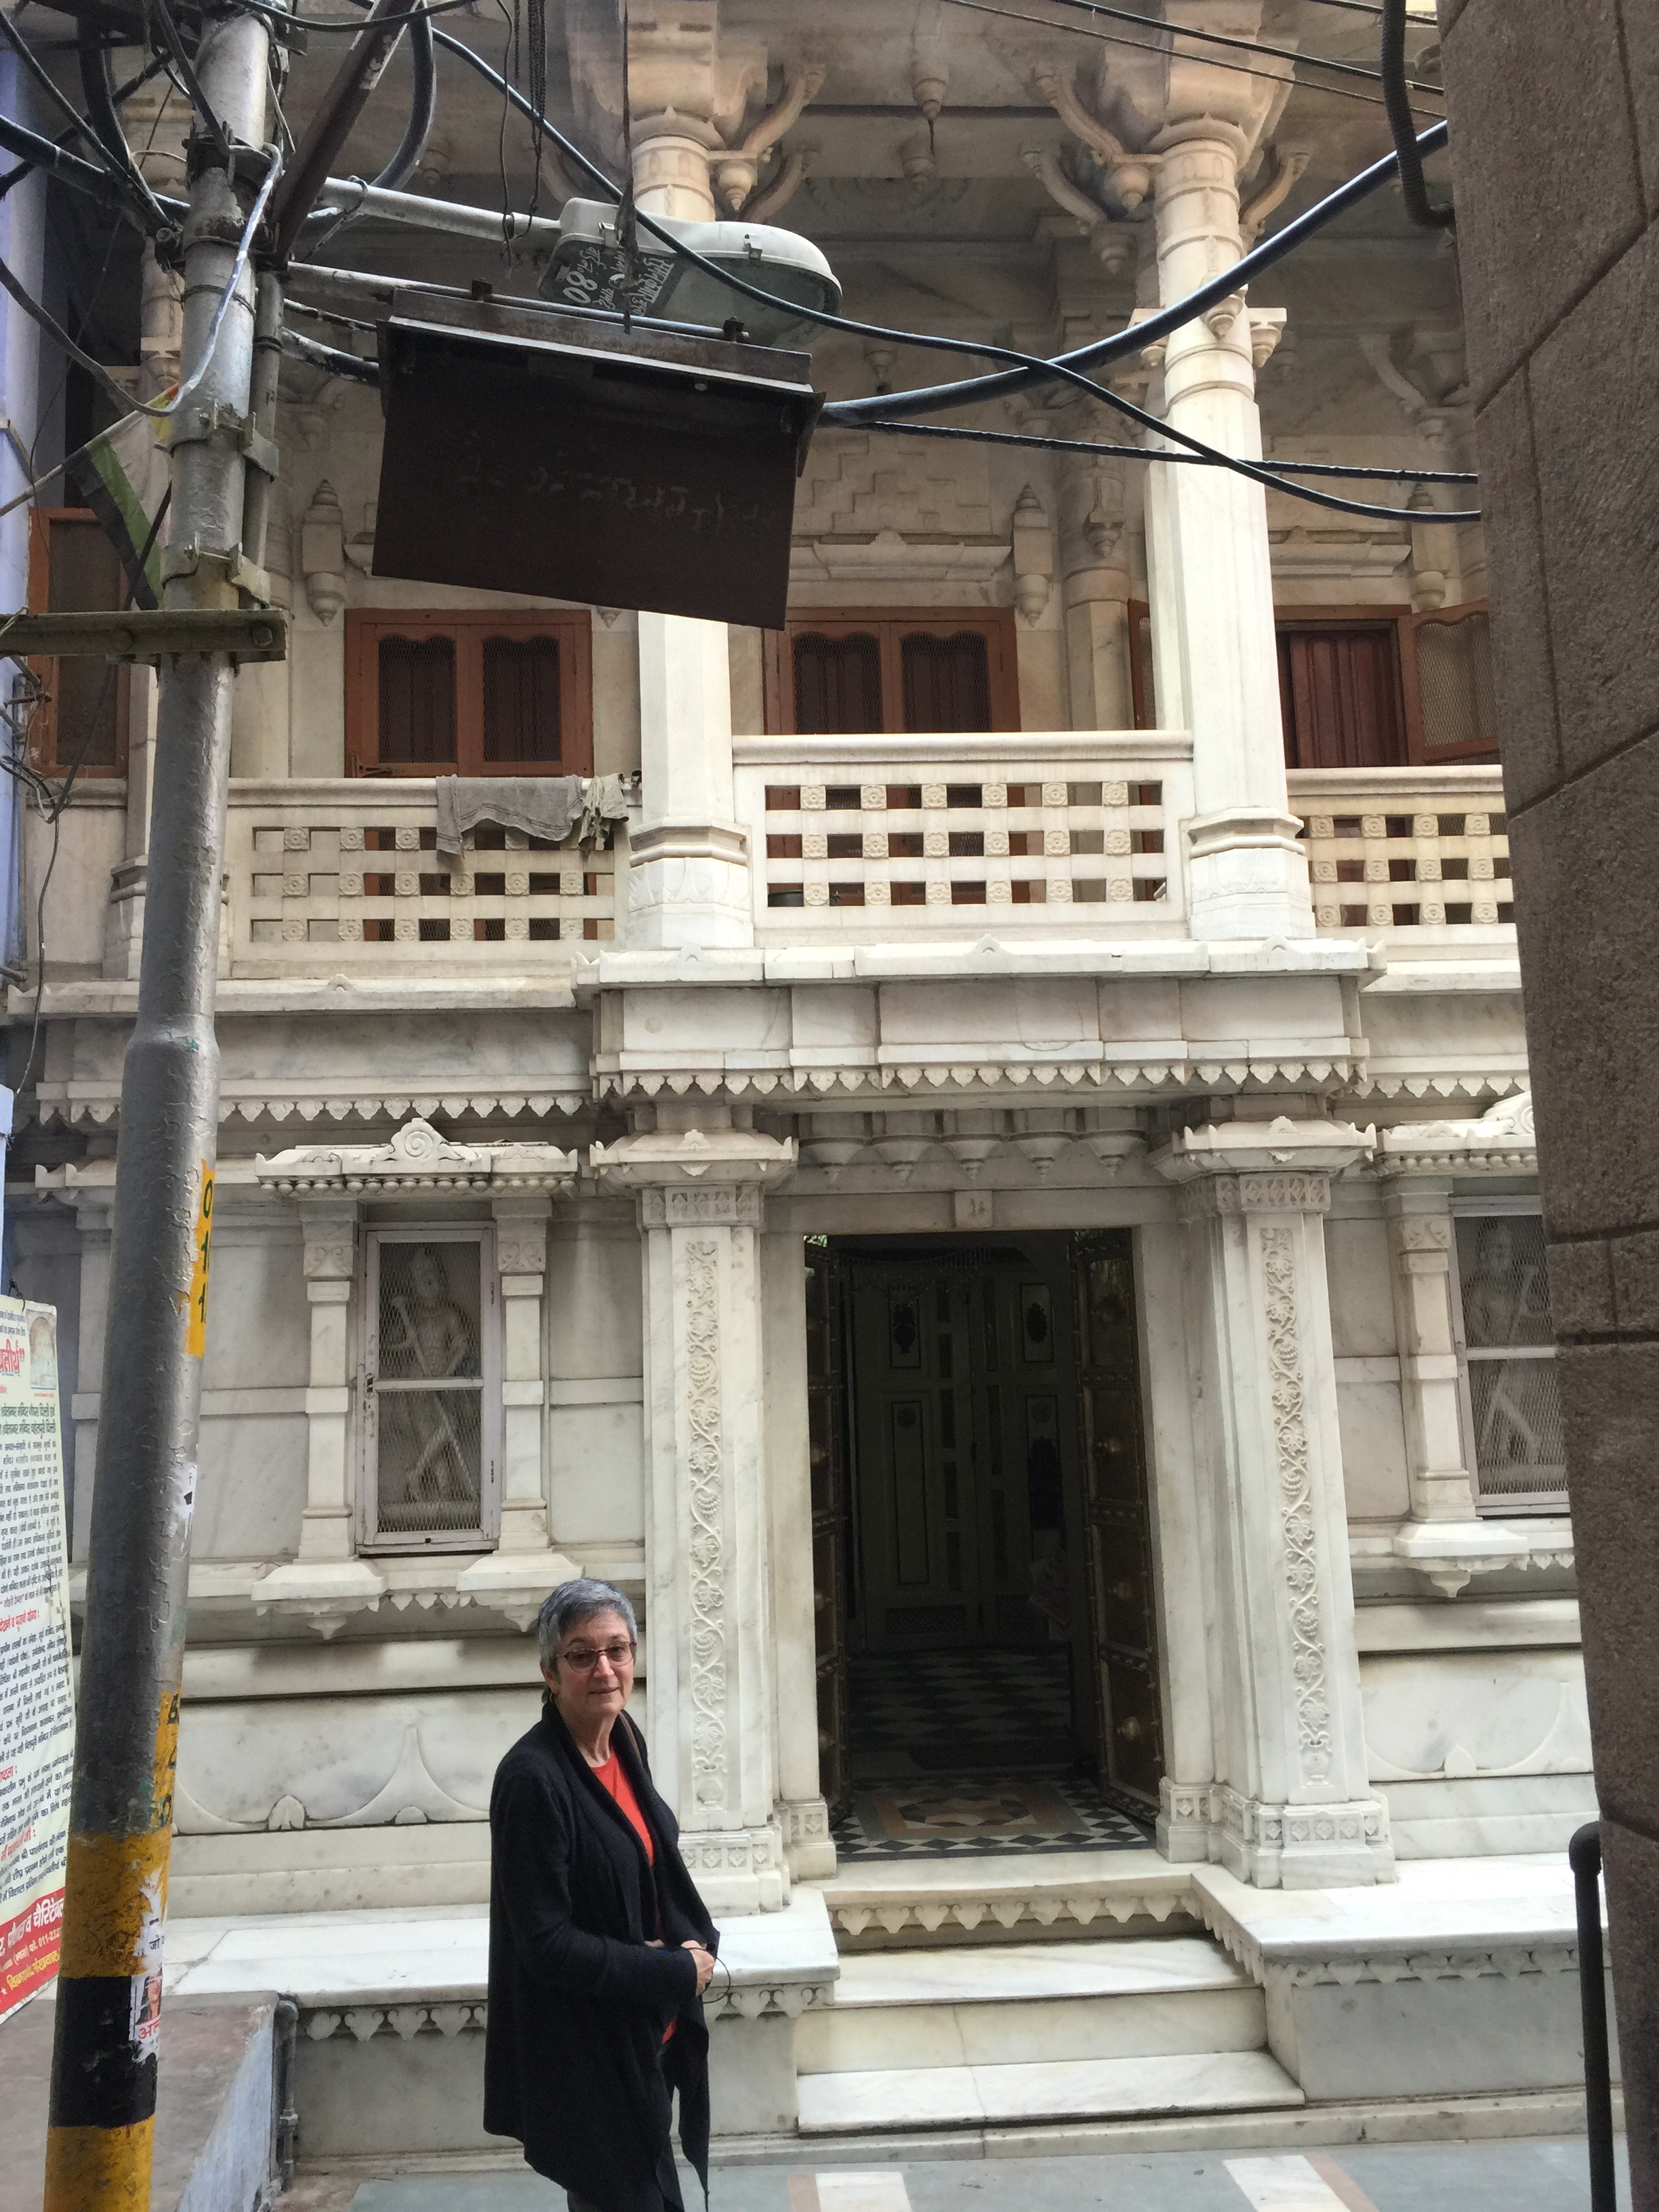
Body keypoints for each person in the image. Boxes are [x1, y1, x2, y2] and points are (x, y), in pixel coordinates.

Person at [485, 1578, 718, 2212]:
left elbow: (650, 1865)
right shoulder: (532, 1779)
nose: (605, 1669)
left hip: (641, 2036)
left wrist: (687, 1942)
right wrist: (668, 1971)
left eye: (617, 1650)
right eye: (582, 1655)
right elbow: (545, 1945)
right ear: (550, 1672)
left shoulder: (623, 1739)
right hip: (587, 2056)